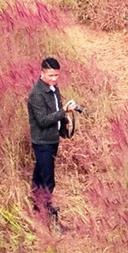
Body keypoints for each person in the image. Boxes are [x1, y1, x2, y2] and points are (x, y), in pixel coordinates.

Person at [26, 57, 79, 221]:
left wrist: (65, 118)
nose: (54, 79)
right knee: (48, 180)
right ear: (42, 73)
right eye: (51, 75)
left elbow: (55, 111)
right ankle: (48, 214)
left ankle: (37, 206)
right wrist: (63, 111)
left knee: (40, 175)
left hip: (53, 139)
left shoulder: (54, 89)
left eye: (57, 75)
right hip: (42, 142)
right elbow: (42, 120)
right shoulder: (36, 94)